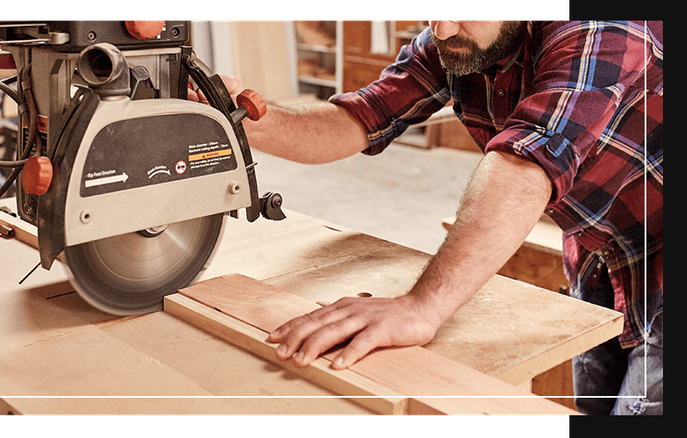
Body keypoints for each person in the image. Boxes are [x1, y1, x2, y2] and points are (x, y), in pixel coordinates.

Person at [216, 19, 663, 415]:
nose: (443, 30)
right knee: (599, 404)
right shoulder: (457, 38)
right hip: (600, 246)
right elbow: (359, 117)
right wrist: (251, 122)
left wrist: (421, 307)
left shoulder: (603, 30)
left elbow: (527, 164)